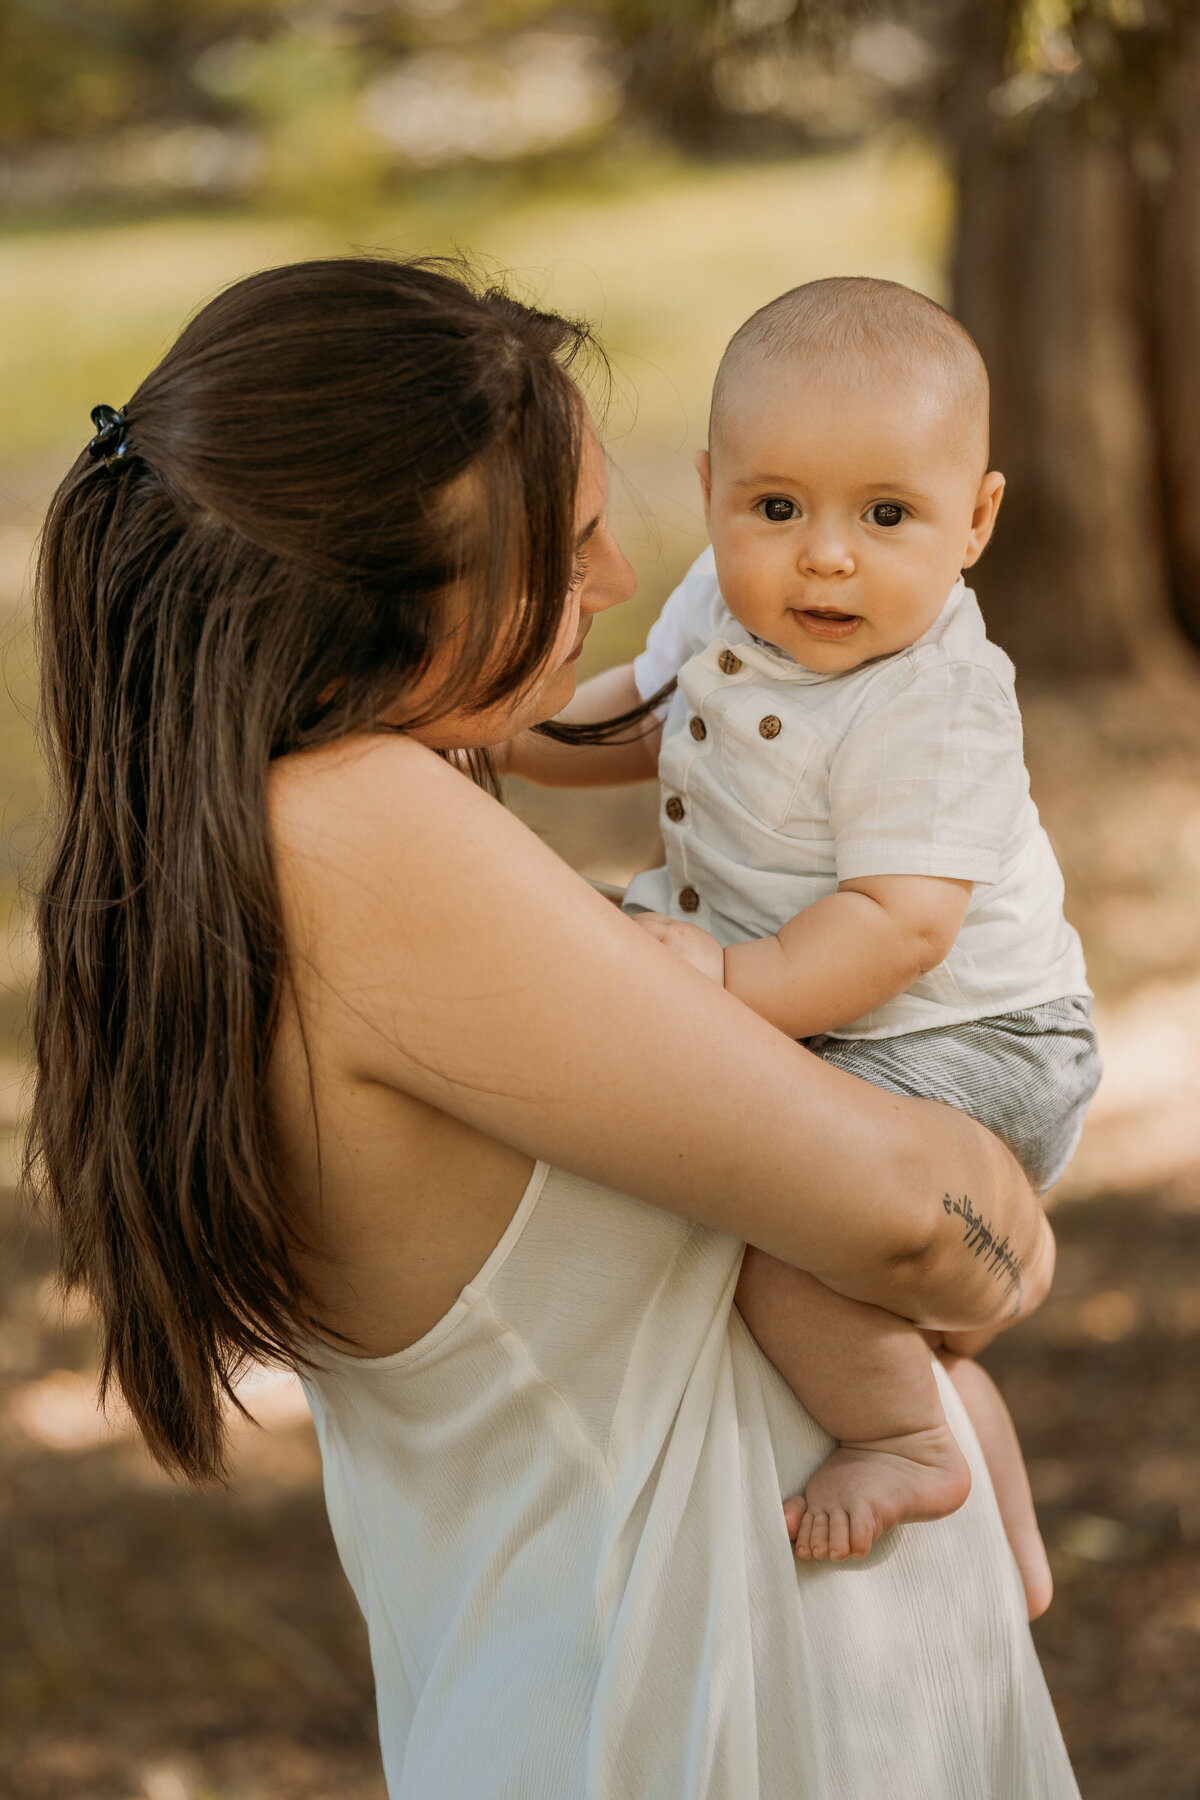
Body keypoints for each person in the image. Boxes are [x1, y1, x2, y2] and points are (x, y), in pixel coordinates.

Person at [28, 257, 1080, 1798]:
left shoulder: (227, 846)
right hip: (714, 1703)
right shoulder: (358, 829)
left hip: (616, 1678)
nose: (616, 571)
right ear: (397, 597)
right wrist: (1017, 1238)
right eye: (568, 541)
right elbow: (919, 1231)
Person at [510, 277, 1100, 1619]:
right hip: (803, 984)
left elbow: (902, 926)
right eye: (777, 510)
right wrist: (499, 731)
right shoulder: (726, 605)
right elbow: (643, 722)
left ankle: (900, 1444)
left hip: (969, 1036)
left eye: (886, 516)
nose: (824, 557)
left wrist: (733, 988)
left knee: (780, 1214)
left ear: (976, 523)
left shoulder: (933, 697)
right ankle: (970, 1459)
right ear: (718, 489)